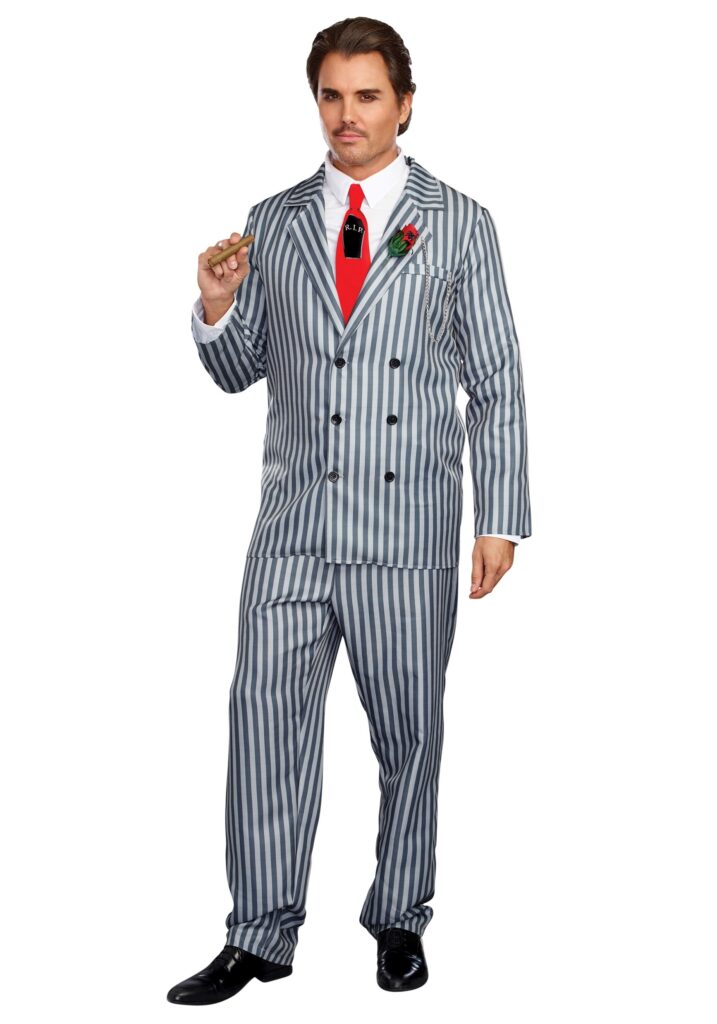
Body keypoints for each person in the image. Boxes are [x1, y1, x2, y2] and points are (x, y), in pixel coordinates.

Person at [167, 15, 532, 1004]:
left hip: (408, 528)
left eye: (367, 95)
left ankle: (399, 917)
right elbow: (239, 372)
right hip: (292, 527)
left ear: (404, 104)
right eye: (331, 95)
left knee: (408, 735)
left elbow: (495, 379)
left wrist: (499, 518)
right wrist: (216, 304)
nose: (347, 115)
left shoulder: (460, 222)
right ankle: (259, 932)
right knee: (262, 723)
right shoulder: (273, 219)